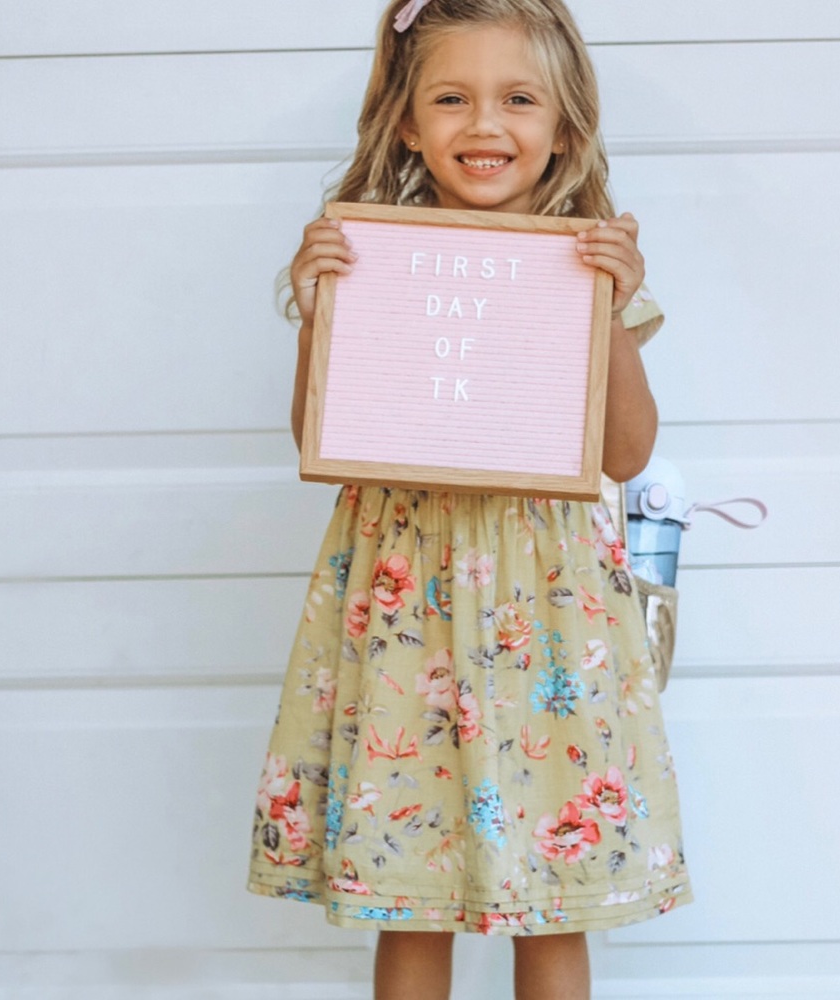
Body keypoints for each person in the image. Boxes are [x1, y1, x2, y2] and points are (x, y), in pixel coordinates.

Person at [247, 1, 692, 997]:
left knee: (552, 883)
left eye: (516, 98)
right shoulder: (369, 257)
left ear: (564, 125)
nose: (483, 124)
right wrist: (322, 312)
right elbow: (321, 439)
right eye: (451, 97)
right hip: (409, 603)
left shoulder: (584, 263)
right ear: (407, 120)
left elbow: (626, 453)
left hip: (548, 615)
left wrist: (611, 312)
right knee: (412, 888)